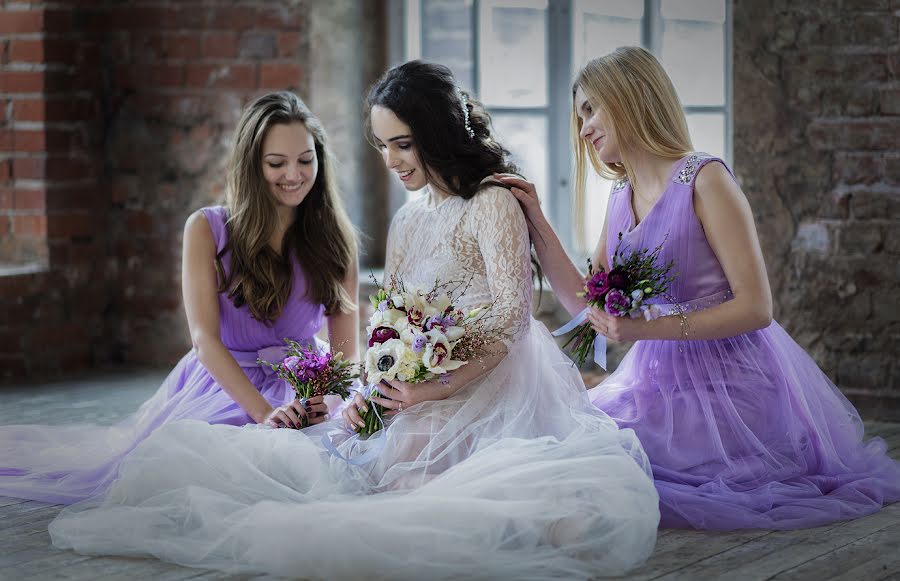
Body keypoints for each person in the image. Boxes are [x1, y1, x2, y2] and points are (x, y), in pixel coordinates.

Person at [47, 61, 660, 579]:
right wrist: (372, 391)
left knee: (416, 512)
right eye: (381, 146)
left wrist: (429, 385)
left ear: (435, 133)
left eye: (403, 143)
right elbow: (388, 324)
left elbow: (510, 317)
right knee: (312, 474)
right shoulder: (408, 220)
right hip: (411, 393)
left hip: (487, 387)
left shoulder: (492, 201)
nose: (391, 161)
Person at [496, 46, 900, 531]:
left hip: (732, 386)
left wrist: (641, 329)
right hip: (656, 382)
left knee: (612, 465)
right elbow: (587, 303)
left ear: (631, 98)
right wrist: (536, 219)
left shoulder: (705, 180)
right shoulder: (620, 195)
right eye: (579, 115)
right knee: (572, 444)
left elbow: (757, 308)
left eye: (591, 109)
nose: (583, 128)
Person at [0, 91, 360, 505]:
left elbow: (345, 351)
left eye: (305, 159)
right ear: (251, 165)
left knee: (341, 470)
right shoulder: (207, 229)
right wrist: (264, 414)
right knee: (209, 479)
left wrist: (326, 401)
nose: (294, 174)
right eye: (276, 163)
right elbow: (204, 339)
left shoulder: (336, 242)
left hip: (306, 391)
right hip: (224, 385)